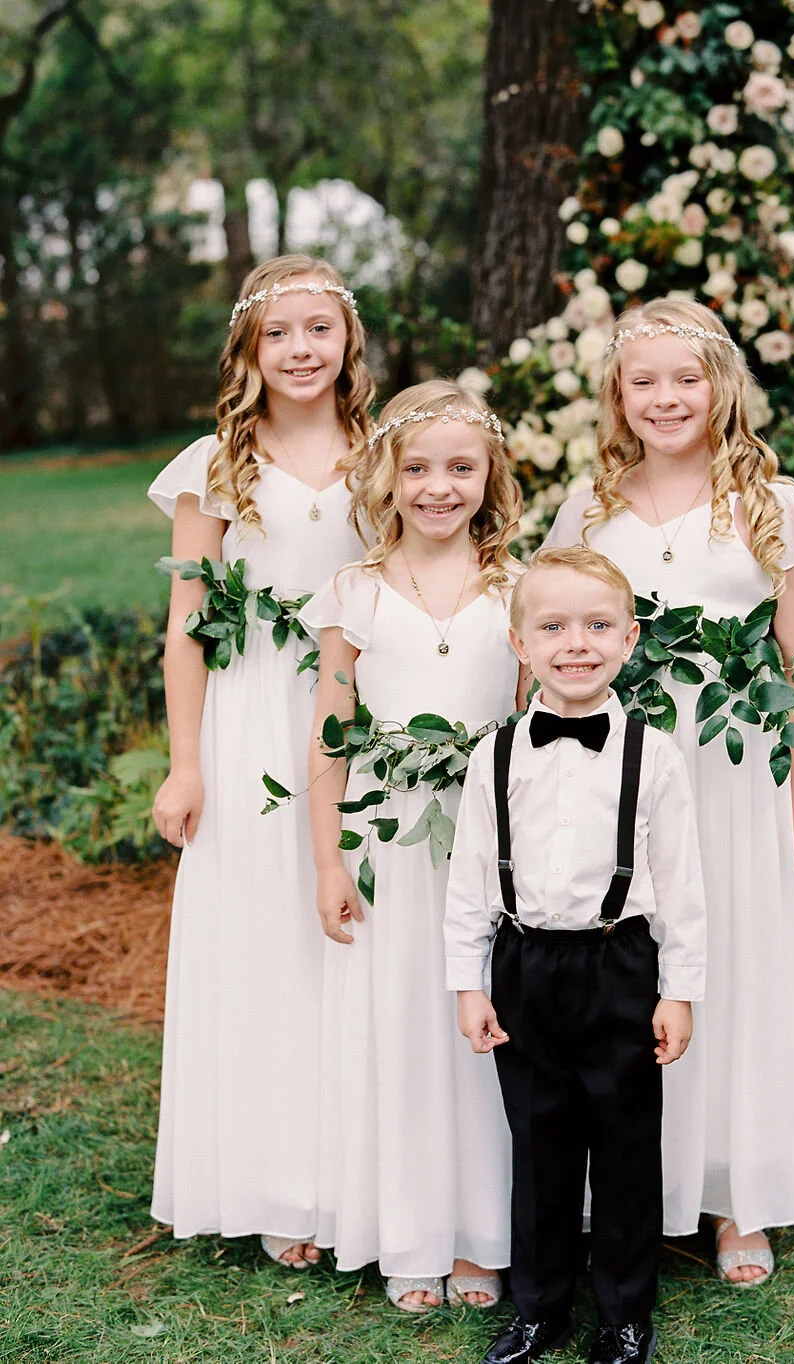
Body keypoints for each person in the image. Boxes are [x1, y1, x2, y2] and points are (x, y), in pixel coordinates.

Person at [544, 298, 794, 1285]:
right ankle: (626, 1183)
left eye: (685, 377)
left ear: (721, 385)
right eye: (645, 381)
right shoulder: (586, 509)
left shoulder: (776, 502)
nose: (666, 397)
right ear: (617, 395)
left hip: (734, 775)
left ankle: (734, 1196)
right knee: (627, 971)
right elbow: (548, 647)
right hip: (617, 777)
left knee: (735, 964)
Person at [148, 254, 374, 1269]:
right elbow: (186, 626)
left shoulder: (385, 450)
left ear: (347, 341)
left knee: (353, 933)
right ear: (250, 346)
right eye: (278, 332)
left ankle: (357, 1168)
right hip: (249, 719)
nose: (299, 349)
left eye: (317, 329)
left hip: (359, 718)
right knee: (262, 934)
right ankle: (275, 1180)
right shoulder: (217, 465)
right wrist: (184, 764)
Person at [445, 546, 707, 1364]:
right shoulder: (493, 757)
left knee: (629, 1145)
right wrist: (468, 983)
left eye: (597, 626)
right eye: (552, 626)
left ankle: (626, 1314)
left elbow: (683, 886)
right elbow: (470, 881)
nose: (576, 644)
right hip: (525, 968)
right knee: (539, 1143)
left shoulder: (653, 755)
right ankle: (540, 1308)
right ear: (520, 644)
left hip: (619, 963)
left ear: (630, 639)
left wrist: (679, 989)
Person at [302, 379, 524, 1312]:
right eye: (419, 467)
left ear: (491, 477)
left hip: (490, 839)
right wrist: (327, 859)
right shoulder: (353, 593)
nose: (439, 487)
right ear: (387, 475)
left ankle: (483, 1233)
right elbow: (328, 732)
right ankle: (410, 1233)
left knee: (487, 1027)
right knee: (402, 1028)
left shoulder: (519, 586)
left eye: (461, 468)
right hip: (389, 843)